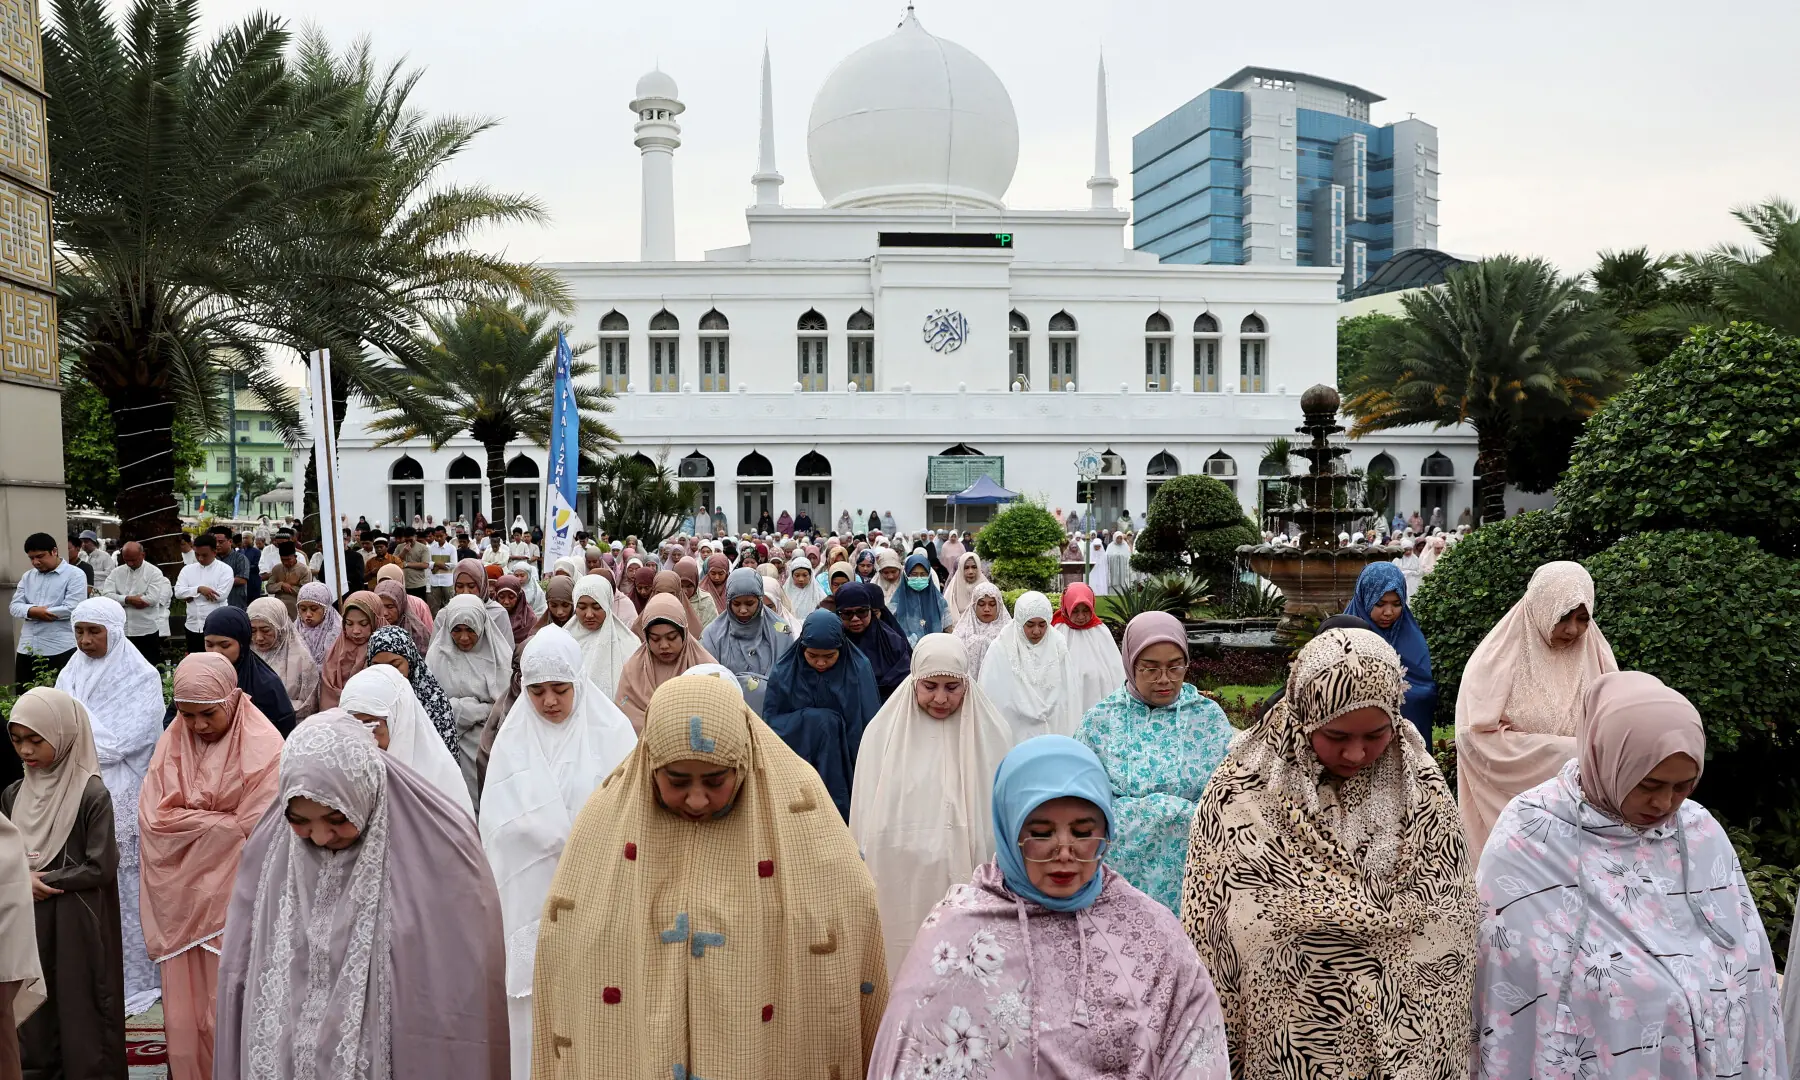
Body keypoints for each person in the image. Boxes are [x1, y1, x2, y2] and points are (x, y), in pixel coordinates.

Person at [531, 673, 886, 1080]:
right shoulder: (606, 820)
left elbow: (849, 909)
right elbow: (570, 939)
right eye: (677, 781)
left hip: (759, 1052)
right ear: (650, 763)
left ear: (743, 760)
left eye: (716, 780)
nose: (696, 799)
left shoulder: (799, 808)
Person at [1181, 628, 1479, 1080]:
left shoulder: (1420, 786)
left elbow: (1451, 913)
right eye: (1336, 735)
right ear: (1302, 719)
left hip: (1406, 1047)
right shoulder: (1241, 793)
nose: (1356, 753)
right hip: (1293, 1047)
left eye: (1377, 734)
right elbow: (1215, 931)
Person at [1474, 670, 1785, 1080]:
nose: (1664, 803)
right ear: (1606, 756)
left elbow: (1745, 943)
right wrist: (1636, 985)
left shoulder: (1696, 827)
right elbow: (1510, 952)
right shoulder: (1535, 828)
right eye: (1649, 784)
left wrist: (1698, 987)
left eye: (1683, 786)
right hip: (1603, 1032)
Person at [869, 736, 1231, 1080]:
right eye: (1041, 833)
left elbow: (1196, 1044)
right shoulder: (958, 933)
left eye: (1083, 832)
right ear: (1009, 830)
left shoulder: (1150, 930)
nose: (1064, 852)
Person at [212, 711, 509, 1079]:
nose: (320, 837)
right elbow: (241, 973)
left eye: (337, 819)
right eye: (300, 821)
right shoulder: (268, 850)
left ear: (364, 793)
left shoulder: (444, 846)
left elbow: (458, 987)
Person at [480, 625, 636, 1080]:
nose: (549, 702)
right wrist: (539, 833)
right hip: (529, 902)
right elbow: (495, 829)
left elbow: (627, 818)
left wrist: (573, 840)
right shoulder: (512, 743)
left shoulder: (614, 735)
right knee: (534, 1010)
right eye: (536, 691)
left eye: (560, 690)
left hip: (597, 896)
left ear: (579, 683)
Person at [139, 653, 284, 1080]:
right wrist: (220, 825)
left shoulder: (266, 747)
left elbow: (259, 828)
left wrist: (197, 825)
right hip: (180, 904)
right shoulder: (172, 742)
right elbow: (154, 822)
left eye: (208, 714)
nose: (198, 726)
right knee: (185, 1016)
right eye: (186, 715)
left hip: (237, 905)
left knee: (233, 1003)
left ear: (234, 701)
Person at [851, 635, 1014, 976]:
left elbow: (1006, 815)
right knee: (906, 952)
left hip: (971, 871)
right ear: (913, 682)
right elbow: (865, 816)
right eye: (930, 686)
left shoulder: (993, 733)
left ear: (967, 684)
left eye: (952, 687)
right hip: (904, 873)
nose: (941, 698)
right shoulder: (881, 734)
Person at [3, 688, 128, 1075]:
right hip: (29, 919)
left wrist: (43, 879)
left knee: (81, 1006)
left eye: (35, 740)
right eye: (17, 739)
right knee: (34, 1009)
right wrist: (21, 880)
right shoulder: (13, 794)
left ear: (63, 734)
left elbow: (101, 866)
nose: (25, 750)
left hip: (79, 918)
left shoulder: (90, 793)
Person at [1075, 611, 1233, 915]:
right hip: (1121, 868)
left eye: (1175, 667)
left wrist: (1181, 817)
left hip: (1193, 868)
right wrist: (1156, 814)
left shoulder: (1208, 718)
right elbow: (1083, 799)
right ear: (1130, 663)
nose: (1164, 680)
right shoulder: (1101, 720)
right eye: (1150, 669)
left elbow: (1228, 792)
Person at [1455, 561, 1617, 854]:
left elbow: (1615, 728)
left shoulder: (1597, 654)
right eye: (1562, 616)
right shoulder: (1495, 659)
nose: (1572, 629)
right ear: (1541, 605)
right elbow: (1474, 739)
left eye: (1582, 618)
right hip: (1512, 813)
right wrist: (1568, 754)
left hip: (1584, 811)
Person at [52, 596, 164, 1015]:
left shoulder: (142, 675)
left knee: (126, 883)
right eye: (79, 631)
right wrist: (73, 727)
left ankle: (134, 976)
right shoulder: (71, 670)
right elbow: (55, 726)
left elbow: (124, 743)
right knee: (81, 877)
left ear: (114, 632)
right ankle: (88, 973)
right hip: (74, 788)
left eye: (93, 632)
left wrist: (75, 724)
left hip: (121, 790)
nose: (84, 640)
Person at [761, 610, 881, 820]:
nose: (821, 663)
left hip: (847, 767)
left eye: (829, 656)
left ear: (841, 649)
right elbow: (770, 726)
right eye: (812, 655)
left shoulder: (858, 670)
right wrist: (816, 722)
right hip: (799, 764)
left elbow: (869, 726)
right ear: (802, 648)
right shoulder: (785, 672)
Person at [339, 664, 474, 818]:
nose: (363, 740)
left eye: (372, 726)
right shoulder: (340, 770)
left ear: (399, 721)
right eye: (352, 727)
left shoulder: (438, 780)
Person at [426, 595, 514, 808]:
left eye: (470, 630)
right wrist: (479, 709)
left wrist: (460, 707)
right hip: (449, 748)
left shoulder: (499, 659)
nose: (464, 638)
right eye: (456, 630)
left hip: (490, 745)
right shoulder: (437, 657)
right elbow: (431, 706)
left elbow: (508, 704)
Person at [1341, 562, 1437, 745]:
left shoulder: (1411, 637)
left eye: (1396, 604)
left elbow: (1424, 689)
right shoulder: (1346, 635)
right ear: (1364, 598)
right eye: (1380, 603)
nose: (1389, 612)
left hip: (1408, 744)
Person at [979, 590, 1083, 745]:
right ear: (1020, 621)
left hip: (1053, 728)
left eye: (1042, 625)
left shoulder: (1057, 644)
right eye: (1030, 625)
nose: (1037, 631)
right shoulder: (1002, 647)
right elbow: (993, 697)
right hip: (1015, 728)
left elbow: (1068, 694)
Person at [616, 593, 717, 731]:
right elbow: (624, 716)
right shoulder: (633, 670)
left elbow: (716, 716)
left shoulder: (706, 668)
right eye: (655, 639)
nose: (664, 645)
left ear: (684, 633)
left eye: (671, 637)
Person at [203, 605, 299, 736]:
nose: (215, 652)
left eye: (224, 645)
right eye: (209, 644)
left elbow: (282, 729)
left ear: (242, 643)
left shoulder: (266, 685)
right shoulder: (199, 677)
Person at [10, 532, 89, 688]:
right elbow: (14, 606)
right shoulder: (28, 577)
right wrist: (33, 610)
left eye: (40, 556)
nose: (35, 562)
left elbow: (73, 607)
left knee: (59, 698)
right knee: (26, 697)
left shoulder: (75, 575)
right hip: (28, 647)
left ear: (54, 551)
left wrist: (37, 612)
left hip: (59, 647)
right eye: (31, 558)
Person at [364, 625, 458, 755]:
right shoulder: (364, 700)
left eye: (395, 665)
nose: (386, 672)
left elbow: (445, 758)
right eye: (377, 666)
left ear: (410, 662)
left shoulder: (433, 702)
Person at [701, 567, 792, 690]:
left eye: (750, 604)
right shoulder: (712, 635)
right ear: (728, 602)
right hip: (726, 704)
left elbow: (788, 676)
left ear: (760, 600)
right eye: (736, 604)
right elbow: (708, 679)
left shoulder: (781, 632)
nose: (743, 610)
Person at [1053, 584, 1126, 715]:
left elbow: (1115, 668)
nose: (1081, 617)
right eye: (1075, 611)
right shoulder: (1057, 631)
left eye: (1085, 610)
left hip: (1096, 695)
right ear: (1066, 607)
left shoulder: (1100, 630)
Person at [834, 581, 913, 703]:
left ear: (871, 610)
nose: (855, 619)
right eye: (847, 614)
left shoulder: (892, 642)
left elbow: (904, 680)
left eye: (862, 612)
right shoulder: (833, 641)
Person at [247, 596, 320, 722]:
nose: (258, 638)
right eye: (252, 631)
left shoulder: (302, 660)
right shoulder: (245, 653)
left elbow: (309, 704)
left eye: (266, 630)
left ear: (281, 628)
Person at [101, 540, 173, 664]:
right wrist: (128, 599)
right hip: (122, 630)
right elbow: (106, 595)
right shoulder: (117, 572)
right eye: (126, 559)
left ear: (142, 555)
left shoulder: (154, 573)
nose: (130, 563)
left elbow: (152, 599)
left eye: (133, 560)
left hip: (146, 630)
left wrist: (119, 598)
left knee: (148, 666)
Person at [318, 590, 382, 712]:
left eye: (363, 624)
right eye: (349, 623)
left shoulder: (384, 650)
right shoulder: (337, 649)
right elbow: (328, 692)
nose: (356, 631)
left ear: (376, 621)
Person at [173, 533, 233, 653]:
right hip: (192, 625)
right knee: (196, 662)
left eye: (204, 555)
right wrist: (199, 589)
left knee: (215, 662)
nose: (200, 558)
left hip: (217, 626)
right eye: (197, 554)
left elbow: (220, 596)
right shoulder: (187, 570)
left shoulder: (225, 570)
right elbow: (178, 592)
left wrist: (190, 595)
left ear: (214, 552)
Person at [948, 580, 1009, 679]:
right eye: (981, 604)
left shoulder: (1008, 631)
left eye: (992, 604)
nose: (986, 609)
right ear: (974, 606)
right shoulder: (962, 631)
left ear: (999, 606)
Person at [890, 551, 949, 646]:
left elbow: (948, 629)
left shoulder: (939, 601)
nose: (919, 578)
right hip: (906, 653)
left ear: (929, 575)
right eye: (914, 574)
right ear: (906, 575)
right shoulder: (896, 603)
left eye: (923, 574)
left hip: (934, 650)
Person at [293, 580, 342, 668]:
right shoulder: (294, 631)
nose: (308, 614)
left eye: (314, 609)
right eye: (303, 609)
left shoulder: (338, 631)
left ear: (326, 609)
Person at [261, 542, 313, 620]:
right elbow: (269, 587)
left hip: (296, 608)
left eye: (288, 559)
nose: (285, 563)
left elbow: (306, 592)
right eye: (283, 560)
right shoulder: (276, 569)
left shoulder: (304, 570)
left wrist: (289, 588)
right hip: (278, 608)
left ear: (295, 556)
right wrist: (281, 585)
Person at [941, 550, 987, 625]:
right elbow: (947, 617)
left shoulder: (986, 587)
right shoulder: (952, 590)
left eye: (974, 567)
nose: (970, 571)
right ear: (961, 569)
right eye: (966, 568)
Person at [674, 556, 718, 628]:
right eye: (681, 586)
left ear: (696, 583)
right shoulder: (670, 599)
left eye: (689, 586)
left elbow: (711, 629)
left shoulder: (705, 600)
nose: (684, 591)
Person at [782, 555, 827, 621]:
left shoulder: (819, 594)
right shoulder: (784, 592)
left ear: (810, 575)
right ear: (791, 576)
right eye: (797, 575)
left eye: (805, 575)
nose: (801, 579)